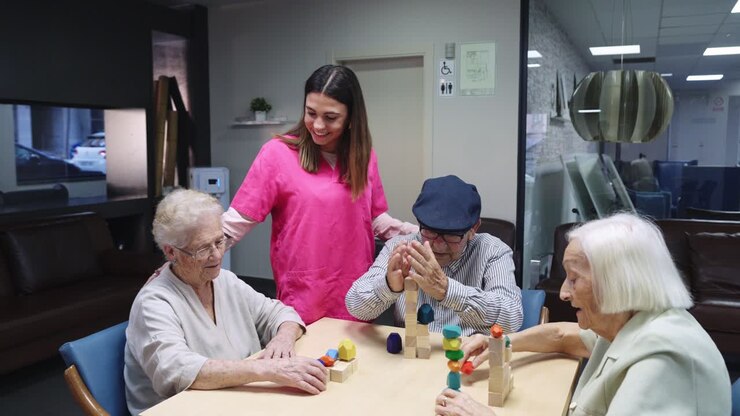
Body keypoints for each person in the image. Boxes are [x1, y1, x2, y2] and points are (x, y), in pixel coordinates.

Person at [434, 213, 731, 416]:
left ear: (618, 283)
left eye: (574, 279)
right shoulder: (630, 323)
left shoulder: (664, 360)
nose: (563, 293)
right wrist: (499, 342)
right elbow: (562, 336)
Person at [223, 65, 416, 325]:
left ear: (351, 118)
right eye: (310, 113)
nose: (318, 125)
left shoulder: (364, 157)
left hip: (356, 294)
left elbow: (374, 219)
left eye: (331, 117)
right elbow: (234, 224)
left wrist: (422, 237)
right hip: (304, 296)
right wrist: (185, 257)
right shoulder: (276, 154)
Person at [125, 189, 328, 415]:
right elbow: (176, 370)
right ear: (171, 252)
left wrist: (283, 338)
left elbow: (279, 313)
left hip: (233, 402)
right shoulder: (153, 303)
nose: (217, 255)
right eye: (203, 248)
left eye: (219, 241)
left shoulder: (225, 280)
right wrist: (266, 369)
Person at [345, 175, 523, 336]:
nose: (438, 244)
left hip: (468, 357)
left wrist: (447, 290)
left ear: (474, 228)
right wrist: (389, 286)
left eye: (452, 235)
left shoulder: (493, 251)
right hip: (411, 357)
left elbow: (512, 319)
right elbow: (354, 306)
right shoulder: (401, 247)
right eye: (429, 231)